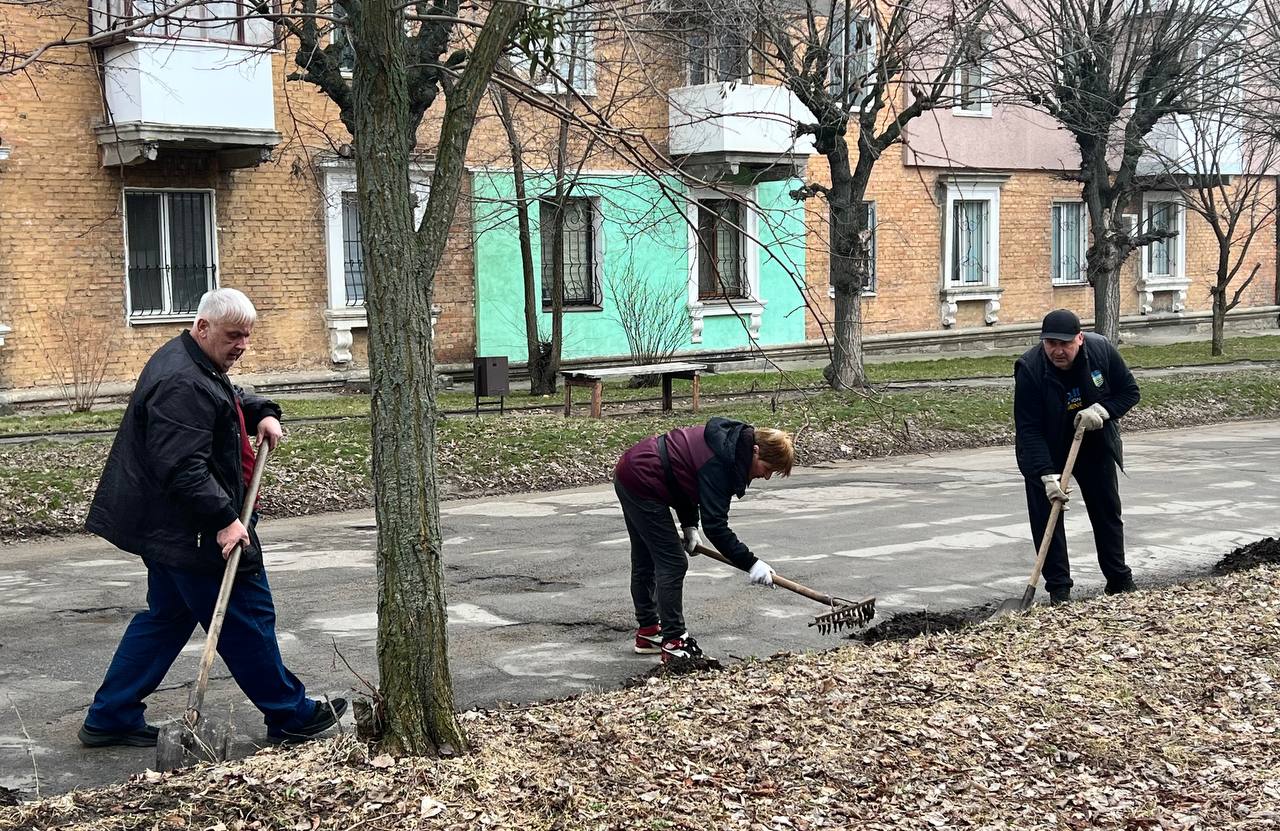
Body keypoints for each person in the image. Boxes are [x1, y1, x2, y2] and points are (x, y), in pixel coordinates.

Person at [78, 288, 346, 748]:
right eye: (233, 336)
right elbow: (182, 467)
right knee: (246, 617)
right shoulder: (182, 381)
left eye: (247, 336)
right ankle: (290, 714)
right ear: (203, 327)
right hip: (195, 531)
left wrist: (260, 412)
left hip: (170, 528)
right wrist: (225, 519)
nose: (241, 345)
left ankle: (112, 714)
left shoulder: (193, 360)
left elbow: (226, 396)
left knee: (165, 619)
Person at [613, 416, 794, 663]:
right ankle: (674, 642)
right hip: (641, 479)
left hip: (634, 469)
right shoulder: (722, 462)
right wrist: (752, 563)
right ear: (755, 450)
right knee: (673, 562)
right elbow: (717, 527)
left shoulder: (729, 446)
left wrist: (689, 525)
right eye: (768, 468)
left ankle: (649, 633)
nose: (766, 477)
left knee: (647, 556)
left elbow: (684, 478)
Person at [1014, 308, 1141, 605]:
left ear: (1080, 339)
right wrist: (1046, 475)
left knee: (1106, 510)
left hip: (1092, 442)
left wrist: (1102, 411)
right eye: (1051, 343)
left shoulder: (1100, 352)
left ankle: (1119, 579)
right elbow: (1028, 429)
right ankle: (1059, 590)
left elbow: (1129, 391)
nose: (1058, 351)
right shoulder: (1030, 369)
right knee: (1047, 517)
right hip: (1046, 446)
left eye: (1065, 343)